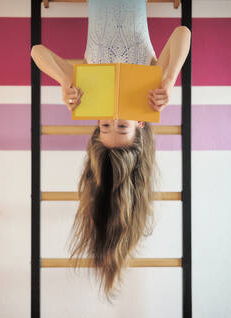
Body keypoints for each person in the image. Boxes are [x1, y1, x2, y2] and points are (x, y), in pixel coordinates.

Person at [31, 0, 191, 300]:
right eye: (122, 128)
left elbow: (36, 51)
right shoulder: (149, 92)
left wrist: (65, 79)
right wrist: (169, 78)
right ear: (140, 125)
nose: (114, 121)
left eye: (106, 128)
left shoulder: (90, 92)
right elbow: (182, 32)